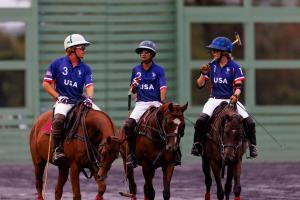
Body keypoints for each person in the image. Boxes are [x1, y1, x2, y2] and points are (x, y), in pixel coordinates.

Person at [191, 36, 258, 158]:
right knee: (201, 120)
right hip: (214, 100)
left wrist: (235, 96)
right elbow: (199, 85)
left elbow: (238, 87)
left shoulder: (235, 67)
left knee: (250, 121)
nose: (213, 53)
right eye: (213, 50)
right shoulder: (211, 66)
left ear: (224, 52)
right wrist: (202, 74)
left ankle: (253, 146)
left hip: (230, 99)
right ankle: (197, 144)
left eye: (216, 50)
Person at [42, 33, 101, 166]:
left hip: (79, 100)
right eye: (82, 48)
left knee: (100, 117)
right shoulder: (57, 64)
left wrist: (89, 98)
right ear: (72, 49)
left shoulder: (86, 68)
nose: (84, 51)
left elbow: (90, 86)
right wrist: (57, 96)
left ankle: (99, 152)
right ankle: (57, 150)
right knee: (58, 120)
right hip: (64, 101)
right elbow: (46, 84)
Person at [123, 40, 181, 168]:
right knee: (128, 126)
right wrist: (134, 85)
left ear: (152, 55)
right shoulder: (135, 70)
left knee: (174, 122)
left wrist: (161, 102)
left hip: (156, 102)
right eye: (141, 52)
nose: (143, 54)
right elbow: (132, 91)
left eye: (146, 52)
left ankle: (176, 153)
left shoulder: (159, 70)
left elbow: (163, 88)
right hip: (141, 104)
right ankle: (131, 155)